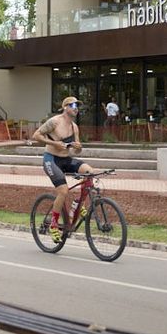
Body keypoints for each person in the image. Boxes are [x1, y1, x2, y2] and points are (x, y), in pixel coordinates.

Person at [32, 96, 97, 243]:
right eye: (73, 105)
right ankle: (54, 226)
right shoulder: (55, 121)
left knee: (90, 172)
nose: (76, 108)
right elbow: (36, 135)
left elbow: (77, 152)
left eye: (77, 106)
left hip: (66, 159)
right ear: (65, 107)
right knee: (63, 190)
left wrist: (79, 148)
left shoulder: (75, 127)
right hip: (51, 159)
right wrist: (54, 143)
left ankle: (77, 205)